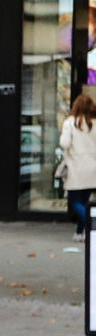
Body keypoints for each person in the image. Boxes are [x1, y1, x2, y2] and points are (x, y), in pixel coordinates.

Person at [61, 89, 96, 236]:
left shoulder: (70, 123)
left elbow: (64, 143)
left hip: (76, 167)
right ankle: (80, 233)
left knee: (75, 201)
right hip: (92, 167)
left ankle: (92, 224)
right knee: (85, 201)